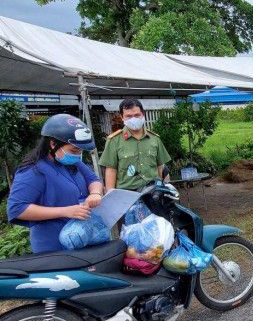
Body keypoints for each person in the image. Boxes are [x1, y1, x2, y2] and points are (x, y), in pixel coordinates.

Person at [6, 114, 104, 253]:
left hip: (82, 239)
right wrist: (66, 211)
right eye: (74, 150)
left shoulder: (73, 162)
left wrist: (95, 193)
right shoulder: (33, 170)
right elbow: (17, 208)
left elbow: (94, 180)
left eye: (80, 150)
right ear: (53, 143)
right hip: (53, 246)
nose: (78, 154)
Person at [99, 99, 171, 191]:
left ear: (143, 114)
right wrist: (111, 195)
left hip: (152, 192)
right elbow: (111, 170)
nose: (133, 119)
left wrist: (160, 188)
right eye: (128, 116)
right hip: (127, 194)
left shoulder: (154, 139)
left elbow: (160, 166)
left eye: (137, 115)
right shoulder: (114, 141)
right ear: (122, 117)